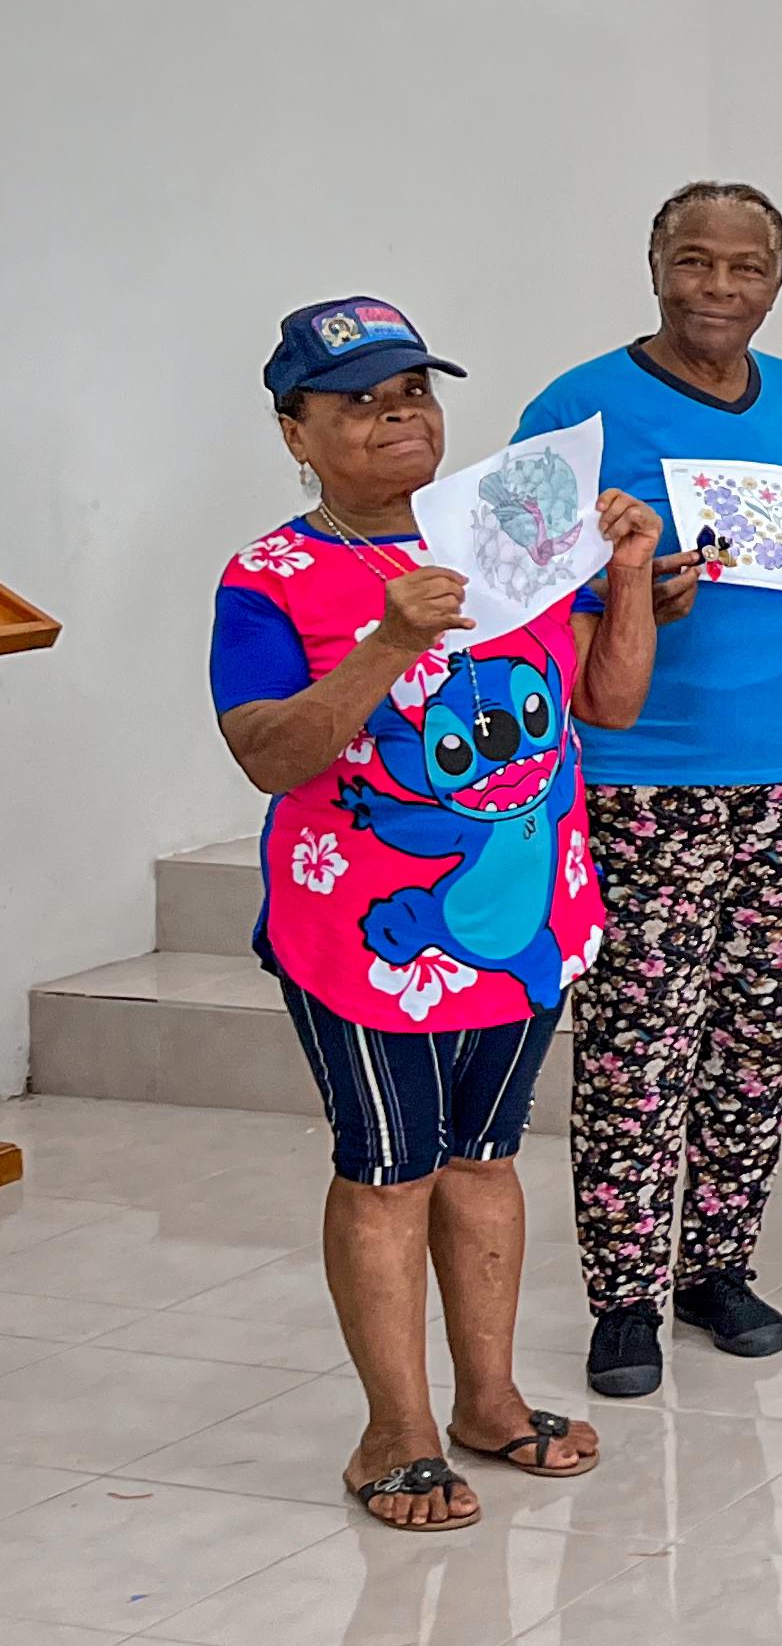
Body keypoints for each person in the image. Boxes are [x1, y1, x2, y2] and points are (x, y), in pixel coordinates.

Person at [214, 299, 653, 1528]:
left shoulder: (508, 544)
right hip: (366, 938)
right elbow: (268, 755)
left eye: (412, 389)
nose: (396, 414)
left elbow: (608, 703)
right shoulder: (267, 579)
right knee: (388, 1169)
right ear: (294, 433)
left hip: (521, 927)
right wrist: (384, 641)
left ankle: (490, 1402)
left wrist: (623, 577)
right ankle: (393, 1434)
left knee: (485, 1157)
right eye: (357, 400)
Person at [523, 183, 782, 1400]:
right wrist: (625, 593)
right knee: (640, 1044)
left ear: (778, 281)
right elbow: (520, 588)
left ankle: (718, 1268)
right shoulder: (577, 408)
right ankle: (623, 1297)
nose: (719, 287)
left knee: (756, 1036)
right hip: (651, 776)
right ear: (654, 265)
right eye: (695, 261)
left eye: (747, 267)